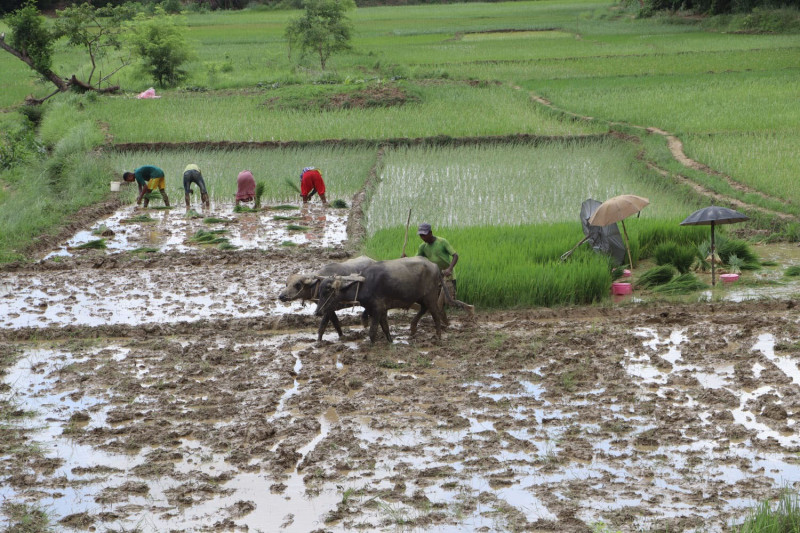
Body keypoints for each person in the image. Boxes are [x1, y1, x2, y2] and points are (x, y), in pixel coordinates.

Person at [410, 222, 474, 317]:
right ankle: (443, 320)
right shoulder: (423, 247)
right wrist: (406, 258)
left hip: (448, 276)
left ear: (430, 233)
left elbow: (455, 255)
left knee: (449, 301)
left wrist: (449, 269)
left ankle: (469, 308)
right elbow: (416, 260)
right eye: (421, 235)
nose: (422, 237)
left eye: (424, 235)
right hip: (435, 277)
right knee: (435, 303)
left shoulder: (442, 242)